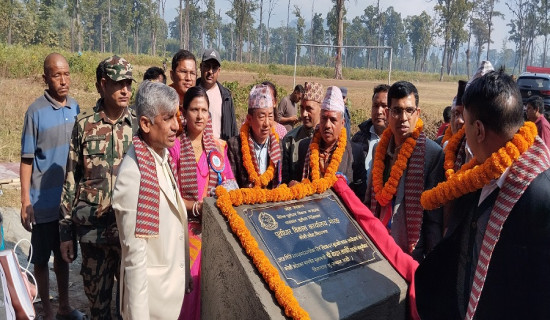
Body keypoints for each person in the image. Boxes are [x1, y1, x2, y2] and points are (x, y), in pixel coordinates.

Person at [416, 69, 550, 320]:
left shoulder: (540, 196)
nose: (461, 131)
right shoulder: (478, 172)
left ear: (478, 130)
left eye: (465, 123)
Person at [59, 56, 137, 319]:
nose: (126, 90)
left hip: (130, 234)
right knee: (98, 309)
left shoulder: (139, 126)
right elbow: (71, 179)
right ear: (103, 84)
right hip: (93, 234)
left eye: (128, 83)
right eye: (119, 83)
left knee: (132, 307)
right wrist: (65, 233)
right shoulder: (84, 126)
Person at [112, 81, 191, 319]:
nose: (176, 126)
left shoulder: (160, 157)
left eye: (176, 117)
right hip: (151, 306)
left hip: (169, 299)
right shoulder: (134, 175)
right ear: (145, 124)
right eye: (167, 119)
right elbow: (135, 261)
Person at [20, 53, 83, 320]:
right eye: (56, 75)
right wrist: (25, 201)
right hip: (42, 203)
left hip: (66, 203)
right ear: (45, 77)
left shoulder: (76, 108)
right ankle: (46, 309)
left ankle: (64, 307)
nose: (63, 80)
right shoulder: (35, 112)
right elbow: (26, 159)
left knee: (64, 255)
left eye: (66, 74)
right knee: (42, 259)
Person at [168, 86, 236, 320]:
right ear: (183, 113)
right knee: (188, 295)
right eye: (194, 110)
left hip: (213, 232)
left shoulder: (218, 149)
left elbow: (229, 185)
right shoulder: (174, 147)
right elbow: (170, 194)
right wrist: (196, 207)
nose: (199, 116)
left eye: (204, 110)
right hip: (183, 235)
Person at [365, 81, 444, 262]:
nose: (403, 117)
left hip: (410, 253)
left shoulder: (432, 155)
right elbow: (371, 198)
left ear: (417, 113)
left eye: (409, 111)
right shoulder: (379, 149)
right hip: (377, 245)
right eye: (397, 111)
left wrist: (430, 264)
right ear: (387, 114)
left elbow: (433, 221)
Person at [292, 86, 366, 199]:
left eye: (333, 120)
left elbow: (360, 196)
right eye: (324, 119)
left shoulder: (355, 152)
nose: (327, 125)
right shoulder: (304, 147)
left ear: (342, 123)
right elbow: (296, 181)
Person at [228, 84, 282, 188]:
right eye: (261, 116)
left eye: (270, 116)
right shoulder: (234, 145)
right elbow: (231, 182)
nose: (267, 123)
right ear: (249, 119)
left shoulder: (278, 145)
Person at [281, 82, 324, 183]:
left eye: (309, 109)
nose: (304, 114)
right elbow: (284, 178)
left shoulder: (327, 139)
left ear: (321, 109)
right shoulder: (290, 139)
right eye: (302, 108)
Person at [197, 48, 238, 141]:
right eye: (207, 66)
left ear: (219, 71)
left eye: (214, 68)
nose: (210, 71)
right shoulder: (192, 92)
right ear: (201, 67)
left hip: (220, 149)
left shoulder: (226, 96)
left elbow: (233, 128)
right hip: (198, 149)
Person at [351, 84, 390, 179]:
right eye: (375, 106)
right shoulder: (358, 139)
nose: (379, 111)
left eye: (384, 106)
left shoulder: (398, 141)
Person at [169, 50, 197, 135]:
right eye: (183, 72)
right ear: (172, 75)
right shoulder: (163, 104)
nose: (188, 78)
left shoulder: (200, 104)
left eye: (192, 73)